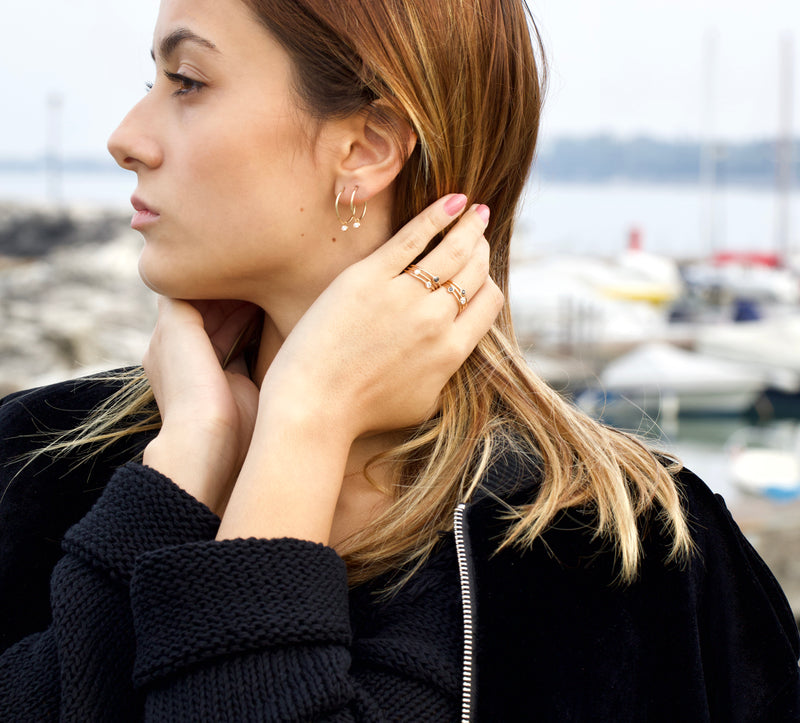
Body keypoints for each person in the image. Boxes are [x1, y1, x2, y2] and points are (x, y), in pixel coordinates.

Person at [1, 0, 798, 719]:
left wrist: (307, 420)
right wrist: (177, 475)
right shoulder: (31, 459)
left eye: (186, 81)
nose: (125, 139)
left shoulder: (629, 552)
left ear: (367, 147)